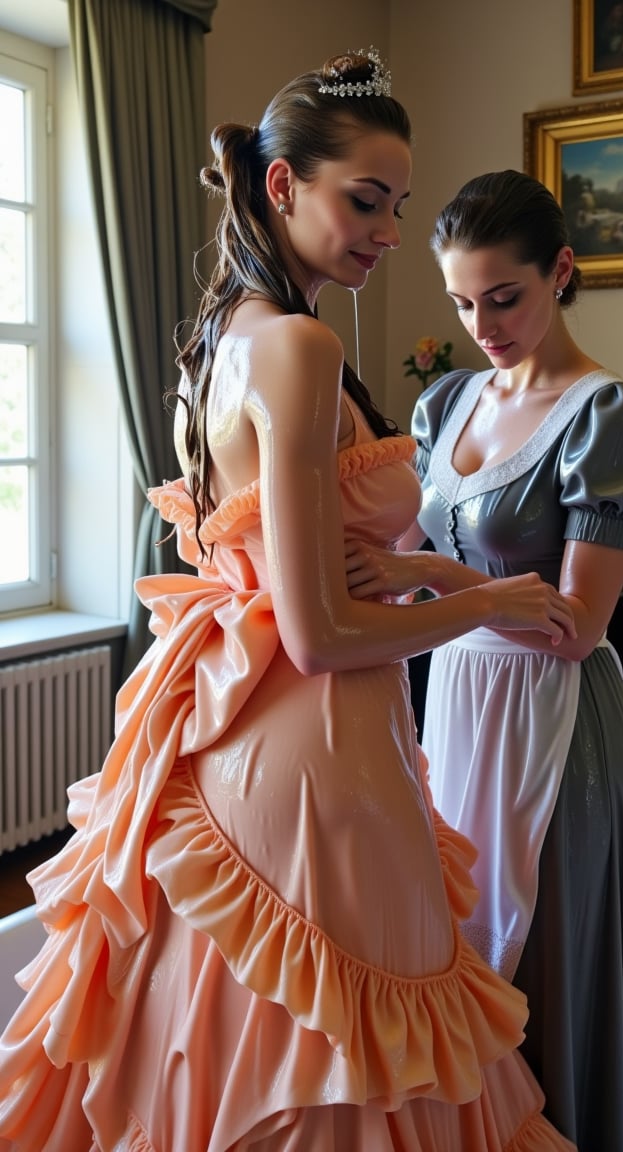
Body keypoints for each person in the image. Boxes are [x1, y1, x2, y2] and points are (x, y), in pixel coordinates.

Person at [0, 59, 580, 1152]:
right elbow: (321, 634)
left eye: (397, 207)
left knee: (240, 1024)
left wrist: (440, 576)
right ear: (280, 188)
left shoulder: (223, 336)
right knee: (347, 1037)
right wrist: (491, 598)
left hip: (237, 734)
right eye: (365, 200)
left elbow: (287, 571)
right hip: (318, 752)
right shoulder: (302, 347)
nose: (387, 231)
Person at [345, 169, 623, 1151]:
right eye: (462, 301)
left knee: (542, 966)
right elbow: (413, 576)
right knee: (461, 952)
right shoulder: (448, 401)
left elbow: (576, 625)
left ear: (561, 272)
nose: (484, 324)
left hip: (557, 726)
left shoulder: (606, 416)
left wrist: (420, 573)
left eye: (506, 297)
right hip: (455, 700)